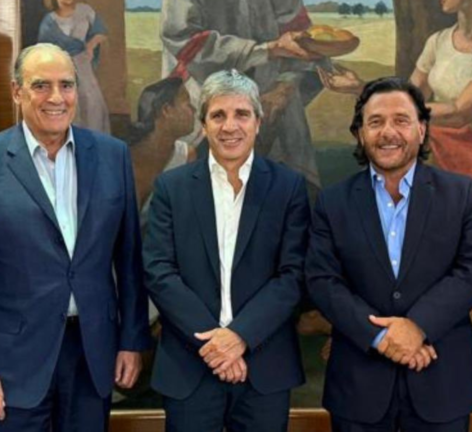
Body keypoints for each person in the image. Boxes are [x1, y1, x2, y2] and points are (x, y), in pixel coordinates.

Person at [0, 43, 151, 432]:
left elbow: (129, 261)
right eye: (41, 85)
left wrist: (131, 340)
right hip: (11, 366)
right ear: (17, 91)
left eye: (66, 85)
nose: (56, 97)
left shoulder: (113, 156)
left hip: (93, 356)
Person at [306, 76, 472, 431]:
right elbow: (322, 280)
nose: (388, 132)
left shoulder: (462, 194)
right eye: (375, 122)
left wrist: (417, 327)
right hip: (359, 386)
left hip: (442, 382)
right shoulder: (332, 202)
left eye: (401, 120)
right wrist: (382, 337)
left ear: (422, 130)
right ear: (360, 133)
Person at [143, 69, 309, 432]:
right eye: (218, 115)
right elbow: (159, 272)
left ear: (258, 123)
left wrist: (239, 336)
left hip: (264, 368)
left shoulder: (288, 187)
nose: (230, 126)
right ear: (203, 125)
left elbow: (292, 275)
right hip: (190, 365)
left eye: (242, 114)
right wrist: (216, 344)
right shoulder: (172, 188)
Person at [319, 0, 472, 212]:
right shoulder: (439, 40)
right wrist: (359, 87)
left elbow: (460, 114)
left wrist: (379, 100)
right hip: (434, 136)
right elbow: (409, 96)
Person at [160, 0, 326, 194]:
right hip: (203, 94)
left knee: (289, 191)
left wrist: (284, 86)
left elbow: (303, 36)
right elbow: (183, 40)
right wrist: (267, 50)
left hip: (274, 96)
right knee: (200, 191)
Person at [127, 77, 198, 231]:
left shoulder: (185, 157)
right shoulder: (124, 156)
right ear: (166, 110)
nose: (194, 110)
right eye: (187, 103)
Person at [38, 0, 111, 133]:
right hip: (61, 67)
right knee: (68, 103)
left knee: (92, 102)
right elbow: (43, 51)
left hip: (82, 64)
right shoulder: (49, 21)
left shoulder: (85, 11)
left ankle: (95, 140)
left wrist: (91, 45)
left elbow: (101, 32)